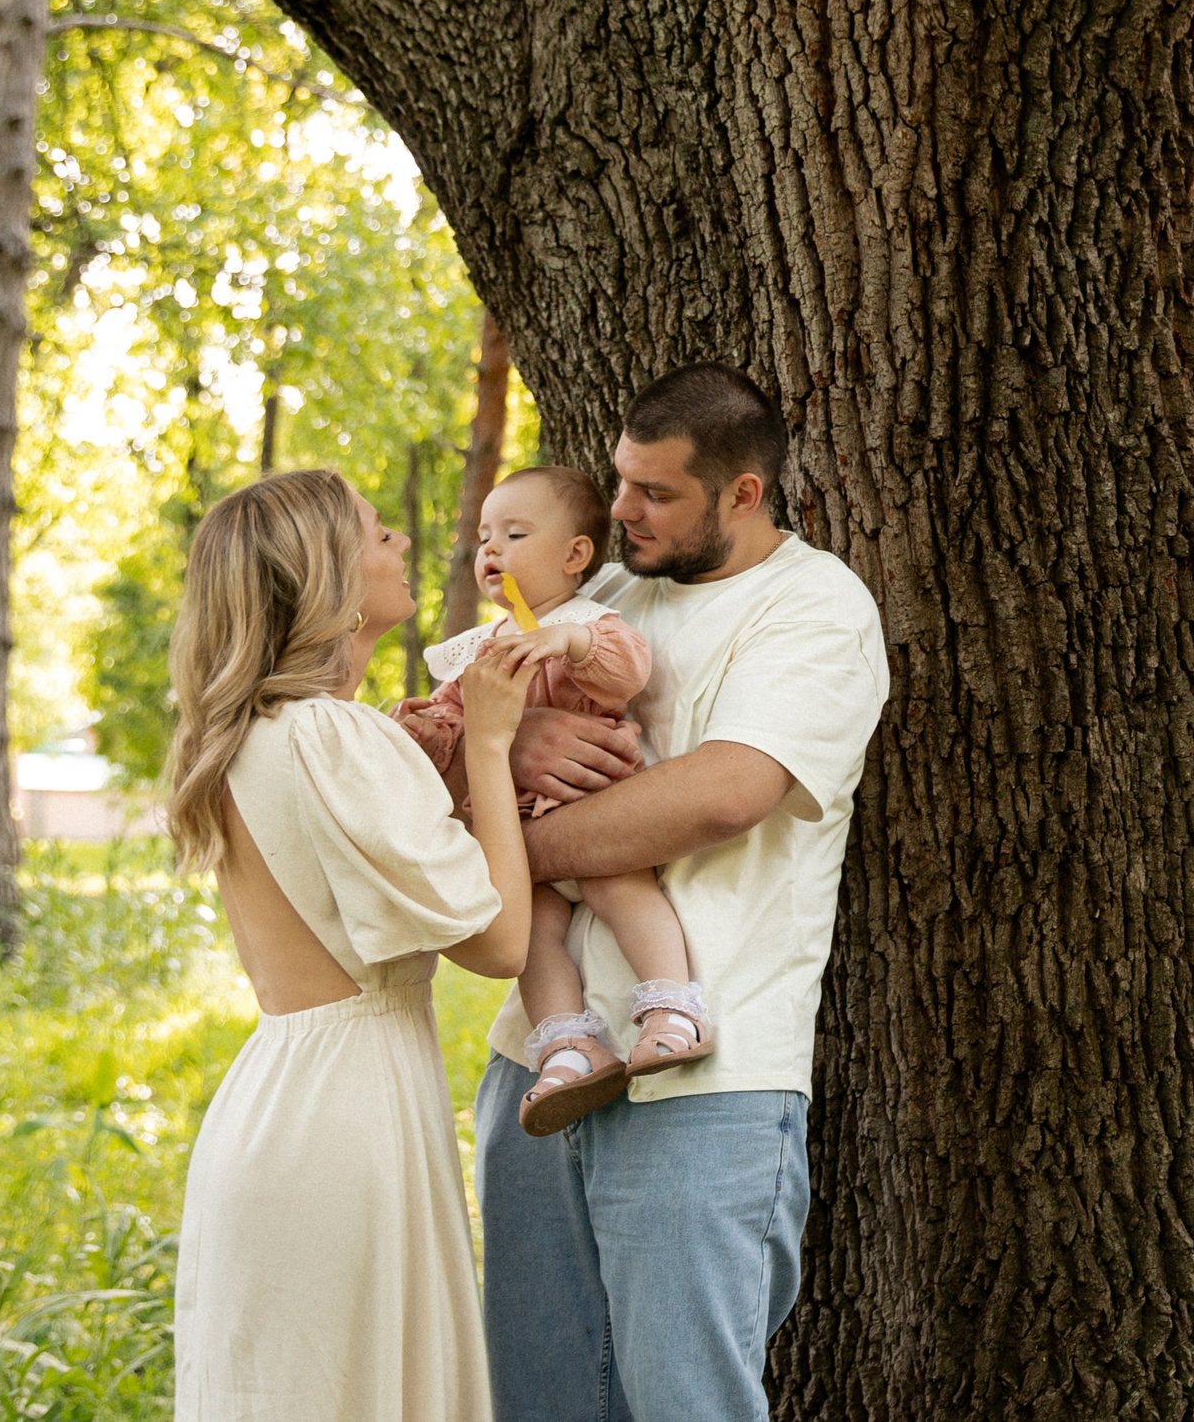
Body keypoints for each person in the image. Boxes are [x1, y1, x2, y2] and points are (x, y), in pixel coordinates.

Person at [403, 365, 888, 1422]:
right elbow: (452, 744)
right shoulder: (604, 588)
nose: (622, 510)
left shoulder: (813, 608)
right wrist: (511, 742)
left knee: (682, 1407)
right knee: (541, 1402)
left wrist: (512, 853)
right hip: (539, 1061)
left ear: (743, 495)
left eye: (656, 493)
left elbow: (726, 793)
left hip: (705, 1081)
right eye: (620, 484)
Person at [166, 467, 538, 1421]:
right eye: (378, 535)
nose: (402, 546)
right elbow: (499, 941)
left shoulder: (245, 735)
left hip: (273, 1099)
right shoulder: (336, 737)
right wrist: (491, 746)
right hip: (347, 1117)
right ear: (324, 574)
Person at [410, 466, 710, 1137]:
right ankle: (567, 1044)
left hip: (596, 811)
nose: (492, 550)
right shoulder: (481, 649)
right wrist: (429, 728)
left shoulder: (588, 621)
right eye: (485, 537)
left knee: (621, 888)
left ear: (576, 555)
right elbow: (447, 723)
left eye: (515, 534)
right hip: (526, 835)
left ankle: (672, 1011)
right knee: (532, 928)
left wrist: (563, 641)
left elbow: (626, 666)